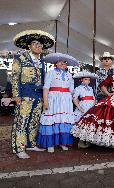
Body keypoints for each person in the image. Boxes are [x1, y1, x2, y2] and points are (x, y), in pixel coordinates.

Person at [11, 30, 55, 159]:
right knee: (22, 121)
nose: (38, 46)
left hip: (38, 95)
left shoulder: (42, 62)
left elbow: (43, 81)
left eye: (40, 45)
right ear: (29, 46)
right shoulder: (20, 59)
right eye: (35, 44)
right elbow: (15, 78)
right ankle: (19, 148)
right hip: (24, 95)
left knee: (34, 121)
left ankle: (31, 143)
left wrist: (43, 96)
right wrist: (16, 95)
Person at [36, 52, 78, 153]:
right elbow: (46, 87)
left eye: (65, 62)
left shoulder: (69, 75)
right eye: (60, 62)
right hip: (53, 98)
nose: (63, 64)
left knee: (63, 120)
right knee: (52, 119)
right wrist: (45, 101)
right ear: (56, 63)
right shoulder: (51, 73)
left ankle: (62, 142)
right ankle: (50, 144)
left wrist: (77, 96)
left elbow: (72, 90)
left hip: (66, 100)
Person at [73, 70, 98, 148]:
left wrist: (94, 105)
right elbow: (74, 98)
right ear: (82, 80)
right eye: (86, 79)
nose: (88, 81)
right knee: (83, 123)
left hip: (91, 106)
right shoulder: (78, 88)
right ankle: (80, 142)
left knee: (89, 123)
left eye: (89, 79)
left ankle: (88, 140)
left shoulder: (90, 88)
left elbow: (93, 98)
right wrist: (79, 107)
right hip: (84, 105)